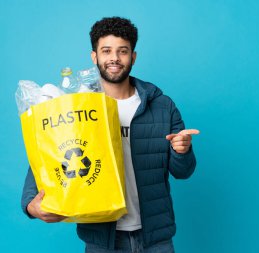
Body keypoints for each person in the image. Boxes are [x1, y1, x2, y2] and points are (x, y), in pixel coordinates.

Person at [21, 16, 199, 252]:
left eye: (122, 51)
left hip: (155, 238)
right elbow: (47, 155)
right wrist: (30, 205)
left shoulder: (162, 106)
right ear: (94, 56)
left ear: (133, 57)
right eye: (106, 51)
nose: (114, 58)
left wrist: (182, 151)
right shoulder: (76, 107)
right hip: (102, 240)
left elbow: (183, 171)